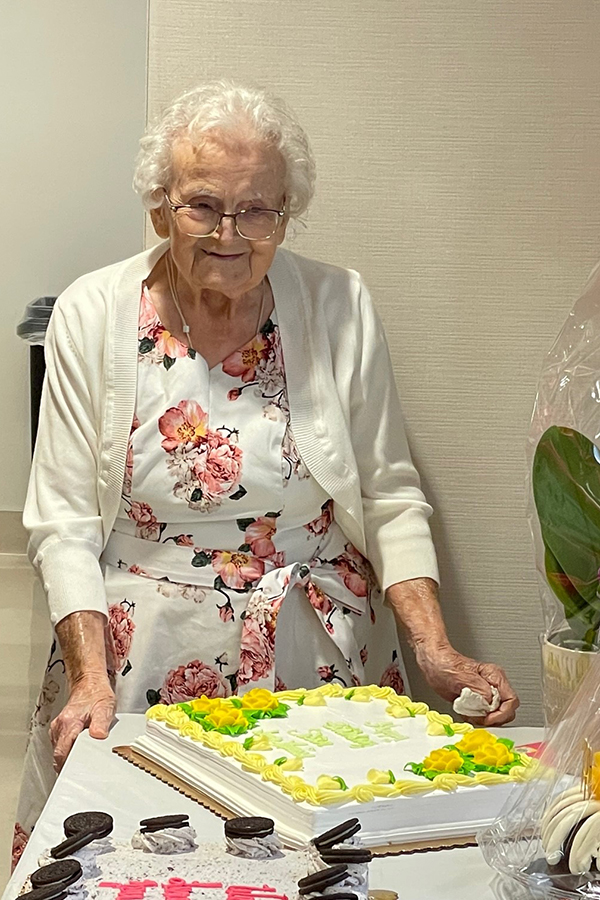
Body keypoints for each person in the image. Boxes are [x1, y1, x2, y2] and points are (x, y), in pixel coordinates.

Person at [13, 80, 518, 866]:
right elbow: (64, 525)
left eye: (259, 211)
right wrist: (89, 682)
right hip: (137, 658)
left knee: (324, 861)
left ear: (285, 215)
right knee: (144, 864)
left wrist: (436, 649)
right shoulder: (92, 311)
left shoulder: (340, 302)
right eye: (203, 205)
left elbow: (388, 492)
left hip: (313, 652)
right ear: (158, 206)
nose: (231, 233)